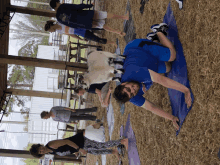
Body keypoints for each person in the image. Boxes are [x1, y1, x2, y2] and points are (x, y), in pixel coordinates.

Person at [113, 23, 192, 130]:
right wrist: (171, 118)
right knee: (168, 67)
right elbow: (151, 107)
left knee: (172, 56)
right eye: (132, 93)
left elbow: (161, 80)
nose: (133, 89)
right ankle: (154, 39)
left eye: (128, 88)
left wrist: (186, 90)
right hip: (148, 63)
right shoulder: (131, 97)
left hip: (139, 48)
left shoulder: (134, 72)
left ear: (123, 83)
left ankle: (158, 31)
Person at [49, 0, 128, 36]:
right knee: (105, 15)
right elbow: (77, 7)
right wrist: (89, 5)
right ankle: (124, 17)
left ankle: (118, 32)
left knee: (102, 26)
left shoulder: (58, 19)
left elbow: (71, 25)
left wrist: (82, 26)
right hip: (85, 15)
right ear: (56, 3)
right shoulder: (63, 6)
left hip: (83, 24)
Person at [29, 131, 128, 160]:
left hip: (81, 142)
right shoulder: (51, 152)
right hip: (79, 148)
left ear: (40, 145)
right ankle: (114, 151)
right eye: (40, 152)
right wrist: (76, 152)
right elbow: (67, 149)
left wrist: (79, 149)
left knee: (100, 146)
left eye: (40, 148)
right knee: (97, 152)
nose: (42, 150)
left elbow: (67, 142)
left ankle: (122, 141)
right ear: (41, 154)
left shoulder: (51, 145)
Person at [44, 20, 117, 46]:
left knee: (101, 27)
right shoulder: (59, 31)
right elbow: (71, 34)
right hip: (82, 33)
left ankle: (116, 31)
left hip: (83, 25)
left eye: (49, 30)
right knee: (98, 40)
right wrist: (81, 39)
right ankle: (113, 42)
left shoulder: (60, 21)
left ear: (51, 27)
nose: (50, 32)